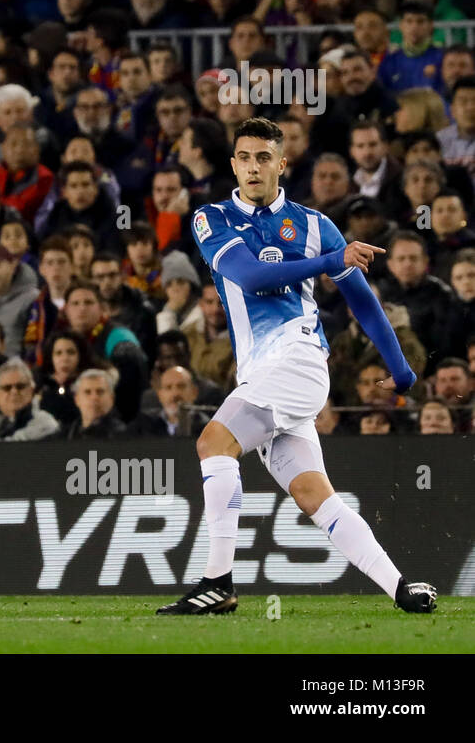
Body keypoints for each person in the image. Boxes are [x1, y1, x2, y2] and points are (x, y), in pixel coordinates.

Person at [160, 116, 434, 616]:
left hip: (299, 359)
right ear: (233, 164)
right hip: (263, 371)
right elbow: (252, 275)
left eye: (264, 157)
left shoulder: (315, 225)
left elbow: (364, 302)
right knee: (315, 495)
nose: (253, 166)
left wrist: (401, 369)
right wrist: (331, 262)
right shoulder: (211, 218)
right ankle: (402, 588)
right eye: (244, 157)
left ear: (281, 164)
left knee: (212, 442)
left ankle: (217, 582)